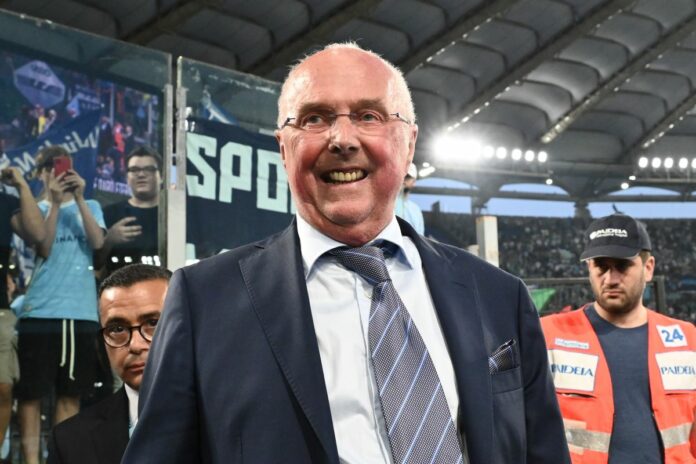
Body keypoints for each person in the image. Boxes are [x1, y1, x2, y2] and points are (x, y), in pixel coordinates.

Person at [123, 43, 569, 464]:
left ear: (409, 143)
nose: (342, 139)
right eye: (314, 118)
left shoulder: (498, 295)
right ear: (283, 148)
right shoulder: (205, 300)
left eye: (368, 115)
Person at [541, 214, 696, 463]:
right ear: (589, 268)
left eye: (622, 266)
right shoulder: (549, 336)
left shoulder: (687, 340)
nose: (610, 279)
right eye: (601, 266)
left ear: (648, 268)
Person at [15, 146, 105, 464]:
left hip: (80, 312)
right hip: (40, 311)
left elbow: (97, 242)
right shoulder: (32, 210)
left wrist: (79, 198)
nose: (61, 173)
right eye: (54, 167)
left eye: (66, 167)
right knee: (30, 395)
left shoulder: (91, 205)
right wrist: (53, 203)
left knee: (71, 394)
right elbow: (44, 246)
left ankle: (60, 458)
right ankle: (30, 461)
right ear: (42, 172)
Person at [47, 264, 171, 464]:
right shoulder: (69, 442)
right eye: (117, 328)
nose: (135, 345)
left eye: (153, 323)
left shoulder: (222, 421)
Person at [0, 166, 45, 463]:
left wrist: (22, 186)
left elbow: (37, 235)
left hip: (0, 311)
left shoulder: (5, 201)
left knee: (3, 388)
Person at [94, 146, 161, 276]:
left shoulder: (172, 215)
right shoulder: (109, 214)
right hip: (122, 285)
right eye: (134, 170)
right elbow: (95, 264)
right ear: (127, 177)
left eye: (149, 169)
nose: (141, 174)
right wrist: (109, 240)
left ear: (161, 176)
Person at [394, 162, 424, 234]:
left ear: (414, 182)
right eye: (401, 175)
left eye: (407, 177)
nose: (403, 179)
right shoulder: (385, 205)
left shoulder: (416, 210)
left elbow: (420, 236)